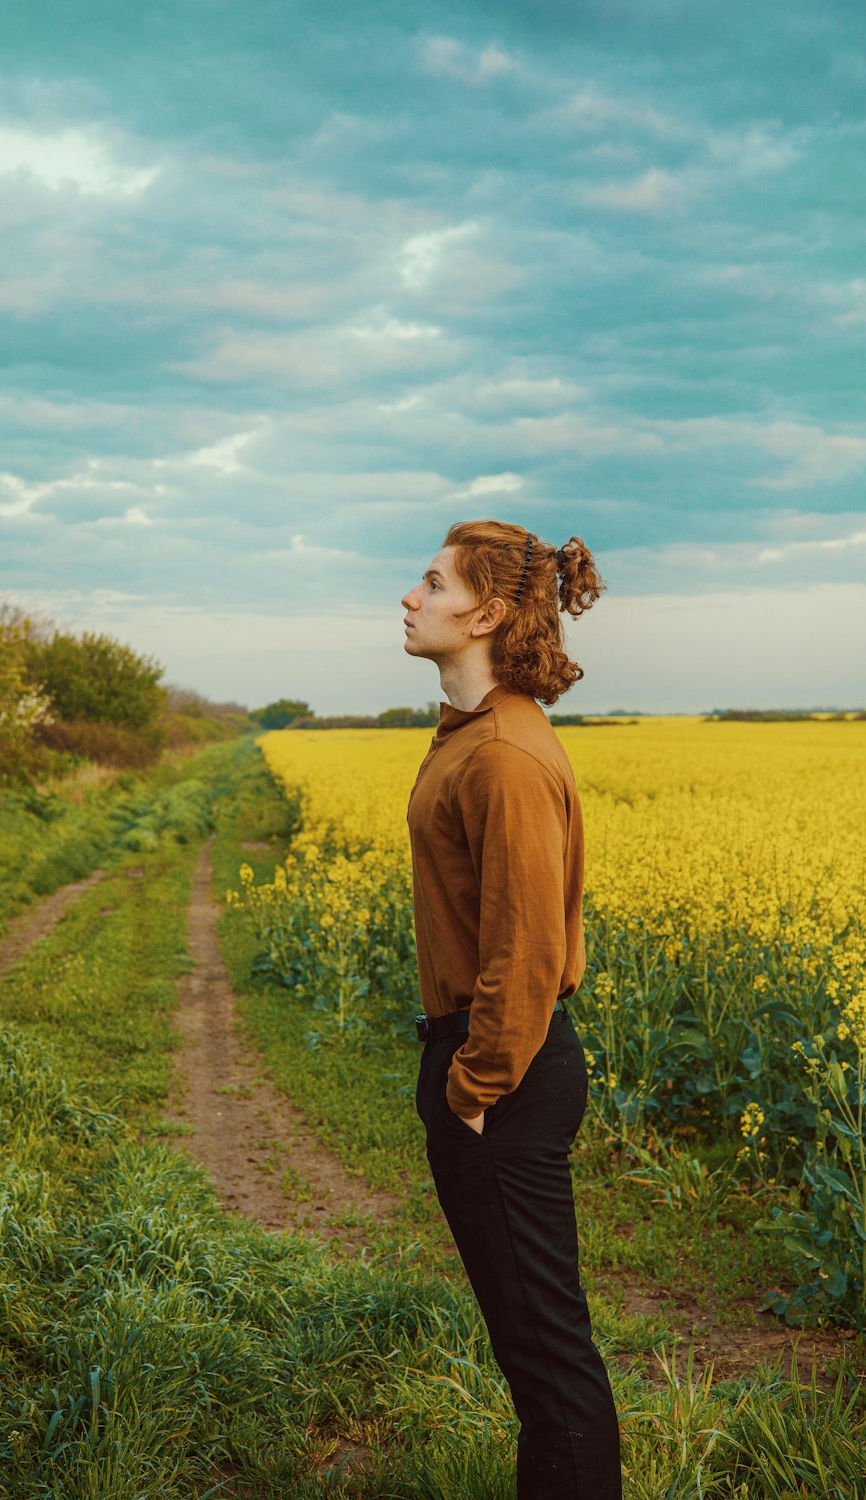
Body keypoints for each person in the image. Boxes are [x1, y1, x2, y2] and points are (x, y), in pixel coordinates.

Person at [401, 519, 623, 1499]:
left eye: (432, 582)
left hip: (505, 1075)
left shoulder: (502, 755)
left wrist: (472, 1089)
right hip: (491, 1065)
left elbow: (525, 948)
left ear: (485, 613)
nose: (409, 597)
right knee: (533, 1353)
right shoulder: (473, 735)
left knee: (546, 1360)